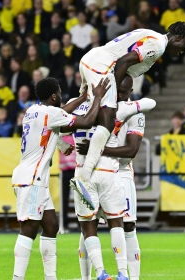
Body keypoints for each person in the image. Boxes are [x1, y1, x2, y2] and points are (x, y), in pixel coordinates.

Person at [74, 22, 185, 209]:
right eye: (184, 45)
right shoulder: (157, 45)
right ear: (177, 38)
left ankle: (62, 143)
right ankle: (83, 177)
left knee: (81, 104)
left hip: (91, 60)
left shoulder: (151, 36)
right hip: (101, 65)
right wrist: (113, 98)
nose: (183, 50)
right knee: (107, 121)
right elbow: (123, 62)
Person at [11, 77, 111, 280]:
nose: (62, 96)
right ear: (54, 96)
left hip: (33, 177)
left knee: (50, 226)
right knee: (28, 229)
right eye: (60, 93)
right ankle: (17, 278)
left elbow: (62, 112)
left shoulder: (32, 110)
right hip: (33, 179)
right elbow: (86, 121)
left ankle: (51, 277)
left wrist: (83, 97)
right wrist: (97, 98)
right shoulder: (52, 113)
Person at [67, 74, 156, 280]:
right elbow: (149, 102)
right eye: (121, 92)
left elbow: (131, 150)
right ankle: (95, 276)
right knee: (93, 226)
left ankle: (125, 276)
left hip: (121, 172)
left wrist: (96, 149)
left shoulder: (128, 111)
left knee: (125, 225)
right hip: (108, 172)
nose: (123, 96)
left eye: (127, 92)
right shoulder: (114, 109)